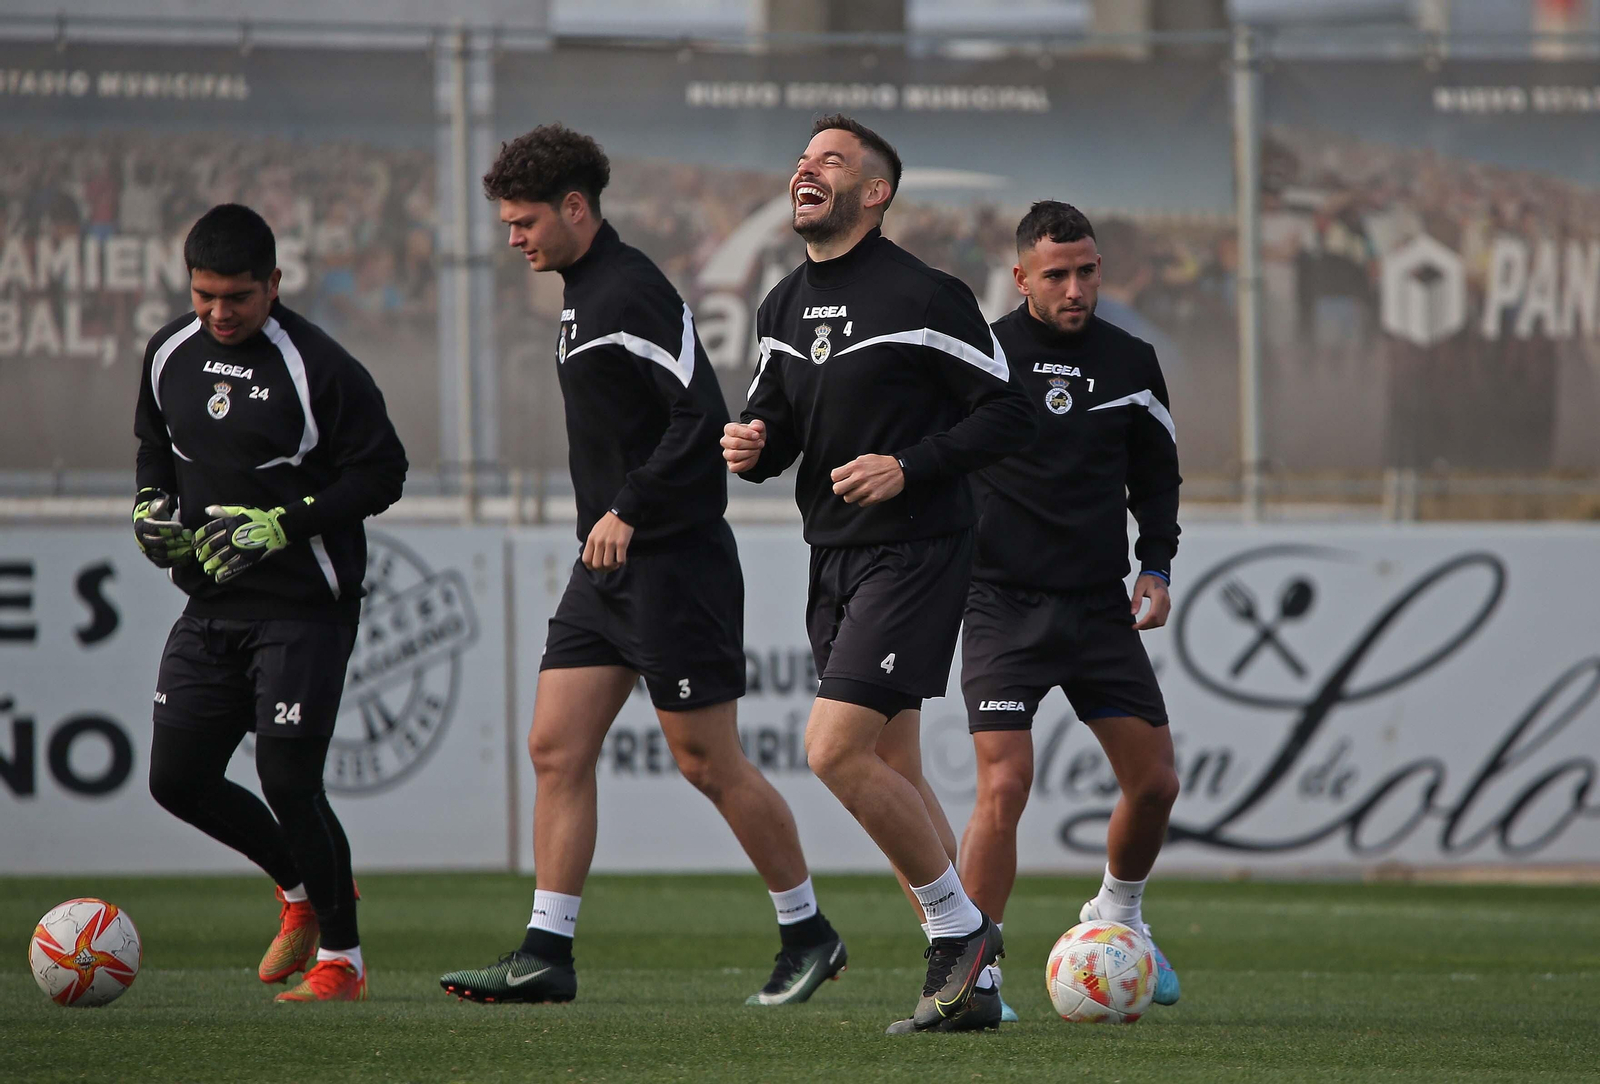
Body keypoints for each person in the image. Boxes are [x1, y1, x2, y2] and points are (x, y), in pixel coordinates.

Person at [438, 124, 845, 1007]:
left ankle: (809, 931)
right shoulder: (584, 292)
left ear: (576, 209)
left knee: (708, 761)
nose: (514, 238)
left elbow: (700, 417)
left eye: (524, 221)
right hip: (606, 565)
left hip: (673, 560)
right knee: (555, 746)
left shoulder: (628, 290)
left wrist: (629, 506)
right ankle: (548, 951)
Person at [721, 115, 1035, 1034]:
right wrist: (752, 445)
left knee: (833, 751)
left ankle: (959, 930)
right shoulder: (780, 305)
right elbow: (775, 427)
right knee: (891, 762)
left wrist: (911, 464)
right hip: (836, 558)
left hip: (919, 550)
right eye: (802, 159)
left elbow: (1008, 419)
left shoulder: (928, 295)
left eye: (832, 162)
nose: (805, 171)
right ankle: (972, 985)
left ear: (874, 193)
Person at [135, 203, 408, 1002]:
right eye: (204, 295)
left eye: (238, 297)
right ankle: (302, 888)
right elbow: (157, 443)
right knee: (175, 778)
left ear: (275, 286)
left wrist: (281, 524)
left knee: (290, 780)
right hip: (211, 604)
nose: (220, 313)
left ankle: (344, 964)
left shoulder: (317, 368)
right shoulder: (168, 353)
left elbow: (382, 472)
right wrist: (150, 506)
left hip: (304, 606)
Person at [958, 201, 1183, 1020]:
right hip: (1001, 606)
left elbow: (1157, 477)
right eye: (1056, 274)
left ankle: (1118, 914)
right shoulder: (979, 356)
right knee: (1005, 785)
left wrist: (1155, 562)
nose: (1076, 287)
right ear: (1021, 277)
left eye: (1087, 270)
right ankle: (971, 976)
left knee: (1155, 782)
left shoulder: (1132, 361)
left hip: (1096, 609)